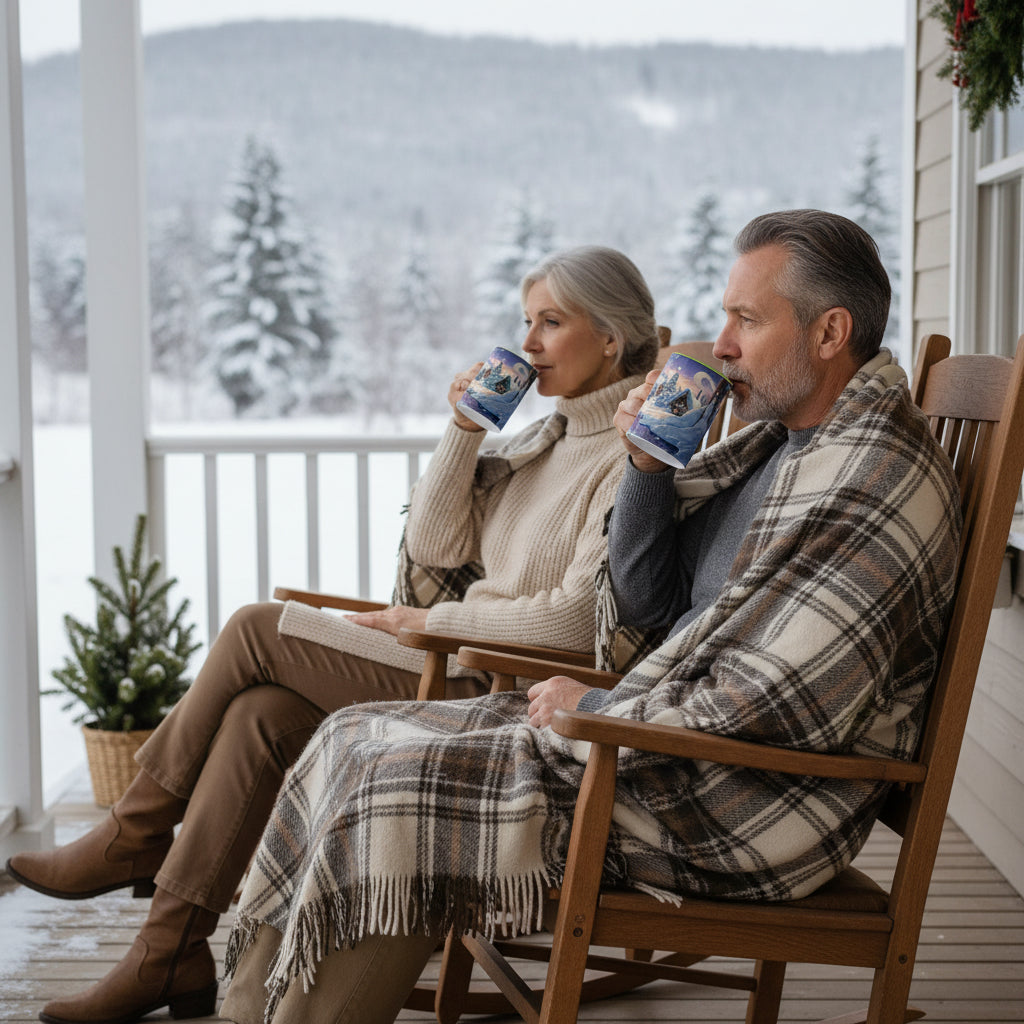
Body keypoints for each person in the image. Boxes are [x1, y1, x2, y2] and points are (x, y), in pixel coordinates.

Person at [218, 209, 962, 1024]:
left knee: (396, 785)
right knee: (354, 738)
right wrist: (646, 465)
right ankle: (248, 1010)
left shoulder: (871, 477)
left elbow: (781, 707)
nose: (720, 345)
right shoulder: (781, 445)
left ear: (830, 333)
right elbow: (647, 608)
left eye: (746, 319)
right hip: (666, 744)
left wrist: (601, 708)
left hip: (735, 802)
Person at [5, 244, 662, 1024]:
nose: (527, 344)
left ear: (613, 336)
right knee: (260, 717)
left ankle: (135, 833)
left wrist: (429, 622)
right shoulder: (541, 442)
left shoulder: (631, 459)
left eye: (551, 323)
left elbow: (575, 619)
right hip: (454, 658)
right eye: (526, 321)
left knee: (256, 628)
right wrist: (463, 429)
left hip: (493, 683)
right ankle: (167, 955)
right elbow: (438, 544)